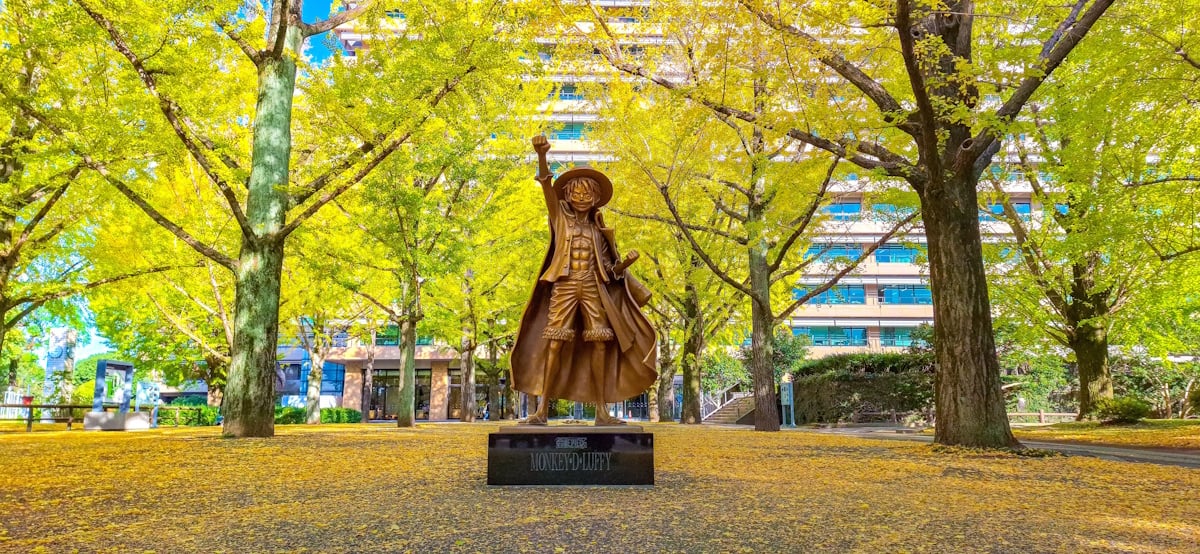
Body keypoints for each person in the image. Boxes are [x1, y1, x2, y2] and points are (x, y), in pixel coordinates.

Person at [510, 135, 658, 426]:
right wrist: (542, 155)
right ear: (568, 196)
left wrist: (624, 263)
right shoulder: (559, 218)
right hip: (564, 285)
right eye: (575, 193)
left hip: (593, 287)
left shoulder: (600, 230)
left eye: (586, 194)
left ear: (595, 198)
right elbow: (545, 185)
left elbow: (610, 270)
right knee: (554, 343)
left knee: (601, 343)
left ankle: (602, 412)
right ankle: (542, 411)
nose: (580, 198)